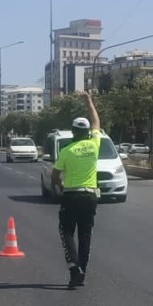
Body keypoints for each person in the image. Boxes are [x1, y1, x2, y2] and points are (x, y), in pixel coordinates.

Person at [52, 91, 104, 289]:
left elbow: (54, 176)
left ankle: (74, 268)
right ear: (87, 132)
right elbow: (97, 122)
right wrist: (89, 101)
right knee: (85, 234)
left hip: (71, 195)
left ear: (73, 132)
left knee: (66, 231)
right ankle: (82, 269)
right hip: (90, 195)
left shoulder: (66, 151)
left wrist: (60, 186)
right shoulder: (94, 144)